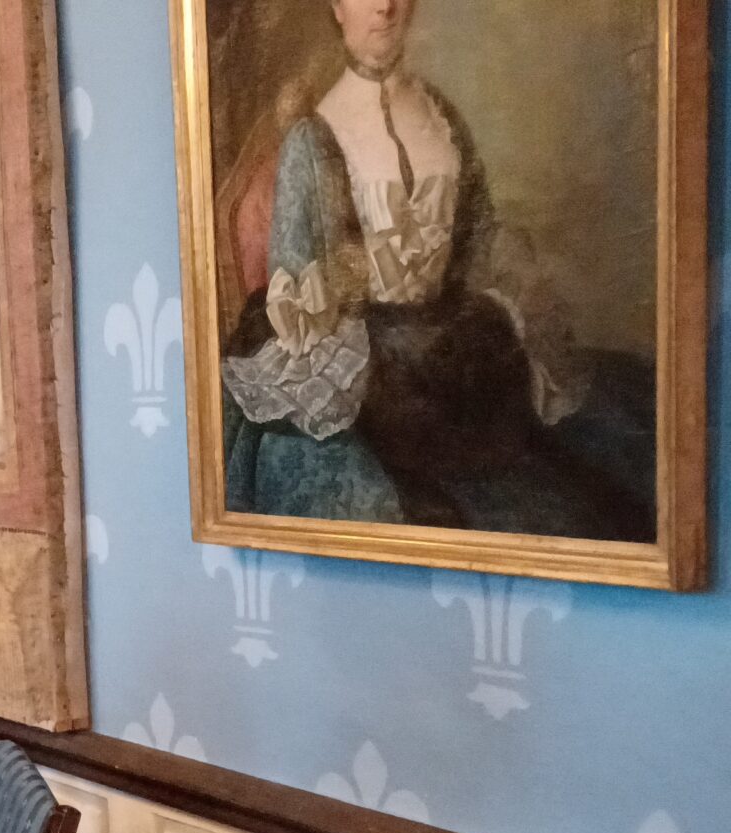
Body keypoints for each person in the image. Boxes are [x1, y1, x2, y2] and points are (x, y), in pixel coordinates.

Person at [219, 0, 653, 539]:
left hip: (452, 346)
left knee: (603, 448)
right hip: (372, 365)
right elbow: (295, 285)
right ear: (337, 7)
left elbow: (479, 237)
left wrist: (516, 295)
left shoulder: (441, 117)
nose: (384, 8)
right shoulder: (312, 138)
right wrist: (344, 283)